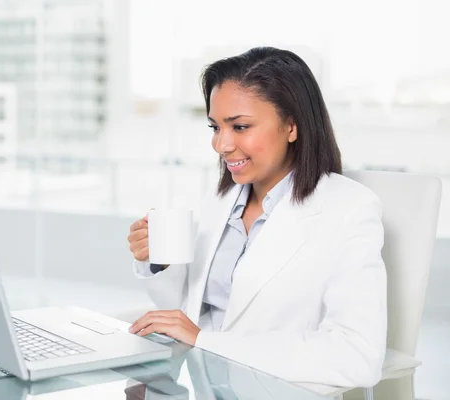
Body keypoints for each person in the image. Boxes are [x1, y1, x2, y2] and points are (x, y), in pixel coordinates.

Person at [126, 47, 387, 388]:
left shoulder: (349, 209)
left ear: (292, 126)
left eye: (240, 126)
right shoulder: (221, 199)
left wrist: (205, 341)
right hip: (198, 383)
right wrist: (156, 261)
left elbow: (356, 357)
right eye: (215, 127)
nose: (221, 144)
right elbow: (188, 309)